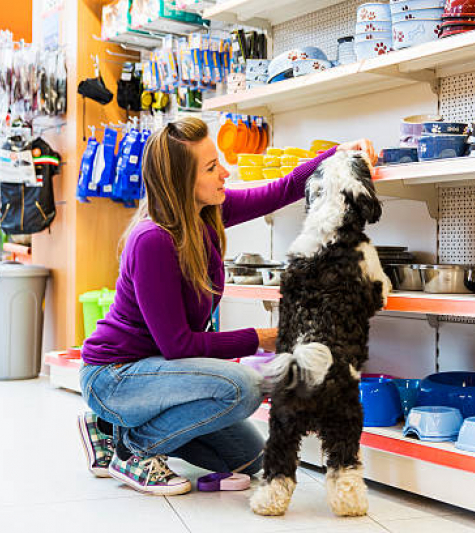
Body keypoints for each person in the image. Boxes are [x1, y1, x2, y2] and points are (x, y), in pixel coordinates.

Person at [77, 116, 377, 496]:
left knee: (253, 459)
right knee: (247, 386)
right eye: (211, 167)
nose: (226, 172)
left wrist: (338, 154)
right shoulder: (152, 240)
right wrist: (264, 338)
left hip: (161, 374)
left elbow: (279, 190)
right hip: (115, 376)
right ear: (181, 182)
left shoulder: (208, 212)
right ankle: (132, 450)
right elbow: (178, 346)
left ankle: (109, 427)